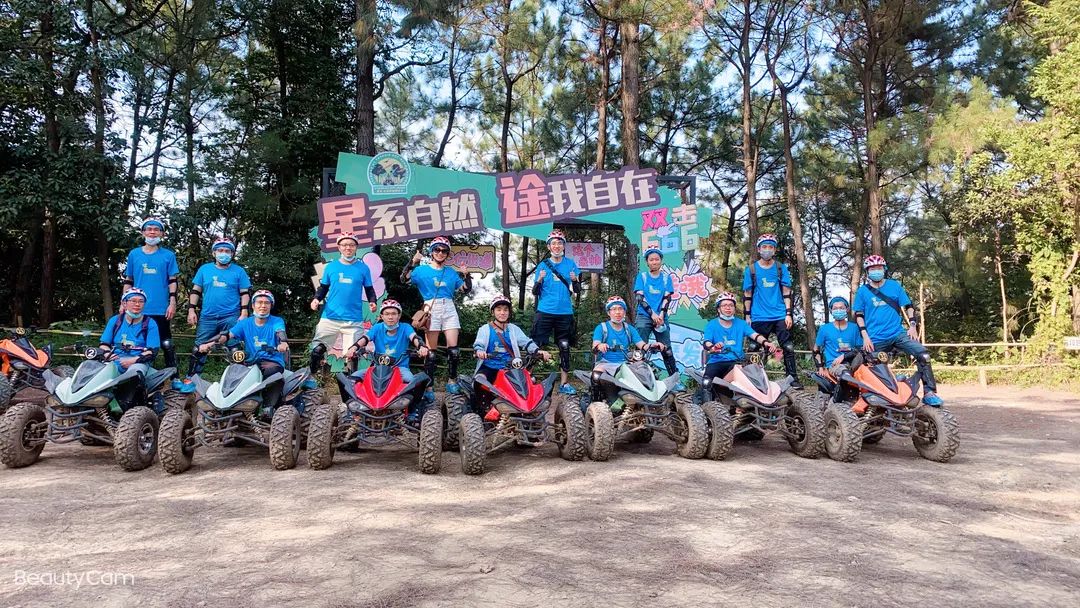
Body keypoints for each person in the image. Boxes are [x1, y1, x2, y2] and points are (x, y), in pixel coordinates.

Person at [853, 255, 943, 406]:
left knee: (923, 354)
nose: (876, 271)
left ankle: (929, 392)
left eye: (879, 268)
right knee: (870, 369)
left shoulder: (894, 286)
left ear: (884, 269)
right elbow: (859, 315)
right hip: (875, 338)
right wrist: (865, 336)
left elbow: (908, 306)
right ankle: (872, 400)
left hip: (897, 334)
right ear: (867, 272)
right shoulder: (862, 291)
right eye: (872, 269)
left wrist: (913, 326)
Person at [197, 289, 290, 413]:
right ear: (253, 305)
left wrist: (283, 342)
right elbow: (227, 335)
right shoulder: (245, 323)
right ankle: (228, 404)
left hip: (271, 361)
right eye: (259, 302)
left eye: (266, 303)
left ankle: (268, 408)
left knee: (273, 374)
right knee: (234, 372)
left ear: (271, 305)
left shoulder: (276, 321)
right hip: (250, 362)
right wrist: (209, 344)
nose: (263, 306)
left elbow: (280, 332)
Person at [400, 235, 472, 392]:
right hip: (431, 308)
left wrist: (466, 275)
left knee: (454, 350)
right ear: (432, 252)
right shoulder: (421, 270)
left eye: (444, 251)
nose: (440, 253)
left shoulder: (451, 272)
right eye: (437, 250)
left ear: (447, 254)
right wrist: (413, 262)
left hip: (449, 307)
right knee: (430, 352)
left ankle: (452, 381)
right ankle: (429, 387)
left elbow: (465, 289)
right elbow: (404, 279)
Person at [309, 232, 378, 374]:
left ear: (356, 247)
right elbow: (323, 287)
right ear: (339, 247)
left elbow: (369, 289)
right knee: (317, 351)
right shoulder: (331, 267)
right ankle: (312, 378)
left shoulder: (363, 268)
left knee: (352, 355)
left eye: (351, 245)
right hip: (330, 316)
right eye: (345, 245)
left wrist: (372, 301)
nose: (348, 248)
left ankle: (350, 385)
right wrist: (316, 299)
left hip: (353, 319)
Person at [185, 238, 252, 377]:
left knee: (235, 349)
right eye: (220, 250)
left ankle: (238, 380)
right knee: (199, 348)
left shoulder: (239, 271)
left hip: (231, 316)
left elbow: (245, 293)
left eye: (227, 251)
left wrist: (244, 312)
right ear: (214, 253)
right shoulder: (204, 269)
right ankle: (191, 380)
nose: (223, 253)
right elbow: (196, 291)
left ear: (232, 254)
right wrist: (191, 310)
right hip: (208, 316)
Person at [742, 233, 801, 387]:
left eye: (770, 247)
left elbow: (787, 292)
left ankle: (793, 379)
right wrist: (747, 315)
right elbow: (747, 294)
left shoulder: (781, 268)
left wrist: (788, 314)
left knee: (788, 346)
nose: (767, 249)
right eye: (764, 247)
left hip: (779, 314)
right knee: (754, 348)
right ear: (759, 249)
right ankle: (752, 380)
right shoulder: (751, 270)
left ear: (774, 250)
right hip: (759, 315)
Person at [700, 292, 781, 399]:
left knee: (752, 381)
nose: (728, 308)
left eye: (731, 305)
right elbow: (707, 342)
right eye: (724, 305)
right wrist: (713, 347)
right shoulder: (712, 324)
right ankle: (707, 405)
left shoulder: (741, 323)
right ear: (718, 309)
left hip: (737, 361)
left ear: (734, 308)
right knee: (706, 382)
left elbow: (755, 335)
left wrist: (766, 342)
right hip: (717, 361)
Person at [123, 217, 179, 370]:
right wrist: (124, 303)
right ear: (143, 232)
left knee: (166, 343)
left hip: (161, 308)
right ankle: (140, 372)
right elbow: (129, 280)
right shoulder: (134, 254)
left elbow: (172, 280)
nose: (152, 232)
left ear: (162, 233)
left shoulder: (168, 255)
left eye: (156, 229)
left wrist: (172, 302)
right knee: (138, 342)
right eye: (149, 229)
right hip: (137, 307)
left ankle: (173, 375)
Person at [531, 229, 581, 395]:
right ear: (549, 246)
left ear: (564, 246)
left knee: (564, 346)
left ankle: (564, 383)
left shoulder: (571, 264)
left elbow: (577, 290)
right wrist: (539, 279)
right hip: (545, 310)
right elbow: (535, 291)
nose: (557, 246)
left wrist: (574, 280)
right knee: (535, 345)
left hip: (564, 312)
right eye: (553, 243)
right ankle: (527, 378)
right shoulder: (542, 265)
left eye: (560, 243)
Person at [588, 296, 665, 402]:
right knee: (596, 374)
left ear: (624, 311)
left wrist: (653, 345)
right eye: (614, 309)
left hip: (626, 363)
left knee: (647, 372)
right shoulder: (602, 328)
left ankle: (649, 399)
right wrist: (600, 346)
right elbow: (595, 345)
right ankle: (595, 403)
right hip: (606, 363)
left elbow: (642, 345)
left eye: (620, 309)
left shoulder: (629, 329)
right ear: (609, 312)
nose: (617, 312)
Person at [99, 289, 161, 411]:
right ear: (124, 303)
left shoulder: (150, 323)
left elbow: (152, 351)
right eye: (133, 301)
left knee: (134, 375)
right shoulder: (115, 320)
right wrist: (107, 353)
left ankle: (129, 408)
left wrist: (133, 360)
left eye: (141, 301)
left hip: (138, 362)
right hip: (115, 360)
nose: (137, 304)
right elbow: (104, 344)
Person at [345, 299, 430, 384]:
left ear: (399, 315)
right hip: (378, 368)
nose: (390, 317)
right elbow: (365, 338)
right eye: (387, 314)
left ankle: (425, 390)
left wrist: (422, 346)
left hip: (400, 368)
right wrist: (353, 348)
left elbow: (414, 338)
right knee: (353, 378)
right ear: (381, 316)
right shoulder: (377, 328)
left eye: (394, 314)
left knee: (410, 381)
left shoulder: (406, 327)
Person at [473, 295, 551, 384]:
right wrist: (480, 351)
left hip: (511, 369)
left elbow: (526, 342)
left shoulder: (514, 329)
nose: (502, 313)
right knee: (479, 381)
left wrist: (537, 351)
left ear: (509, 312)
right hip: (490, 367)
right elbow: (479, 344)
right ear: (492, 312)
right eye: (499, 309)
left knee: (530, 383)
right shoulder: (485, 329)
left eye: (505, 310)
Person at [633, 247, 681, 388]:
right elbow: (640, 298)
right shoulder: (642, 277)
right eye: (651, 260)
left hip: (661, 317)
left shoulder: (666, 278)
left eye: (657, 259)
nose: (654, 262)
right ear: (647, 262)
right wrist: (652, 314)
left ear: (661, 261)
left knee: (667, 349)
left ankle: (675, 380)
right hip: (644, 315)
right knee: (640, 347)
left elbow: (667, 298)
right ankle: (637, 380)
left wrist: (661, 315)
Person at [813, 296, 864, 392]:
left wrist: (844, 356)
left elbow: (860, 349)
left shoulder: (854, 328)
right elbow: (816, 350)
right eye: (835, 308)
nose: (838, 310)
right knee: (844, 374)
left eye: (841, 308)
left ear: (847, 309)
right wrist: (820, 367)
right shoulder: (824, 329)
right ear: (831, 311)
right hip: (835, 366)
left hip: (853, 363)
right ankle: (839, 396)